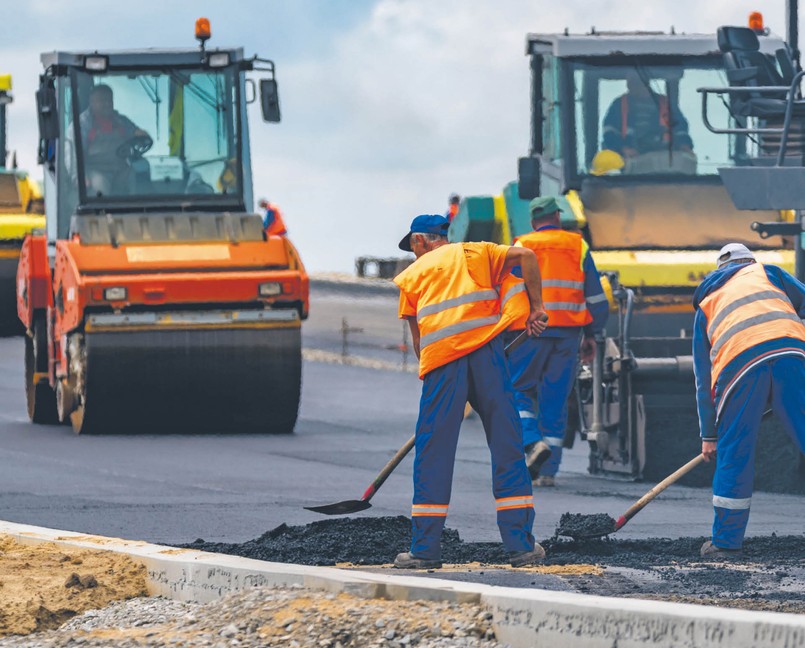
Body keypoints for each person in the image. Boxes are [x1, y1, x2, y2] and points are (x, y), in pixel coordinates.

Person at [392, 214, 549, 569]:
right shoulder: (477, 252)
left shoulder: (412, 276)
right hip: (488, 356)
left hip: (443, 365)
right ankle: (521, 546)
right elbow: (526, 257)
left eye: (413, 247)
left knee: (433, 452)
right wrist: (537, 307)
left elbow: (419, 343)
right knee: (508, 446)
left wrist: (441, 387)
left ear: (420, 241)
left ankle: (425, 550)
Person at [693, 243, 805, 558]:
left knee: (735, 454)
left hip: (739, 369)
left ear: (719, 270)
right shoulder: (769, 273)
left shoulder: (707, 302)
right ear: (749, 261)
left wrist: (709, 435)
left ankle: (726, 543)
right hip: (791, 356)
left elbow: (703, 380)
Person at [502, 197, 609, 487]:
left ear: (534, 220)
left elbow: (508, 292)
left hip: (530, 331)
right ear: (557, 218)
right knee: (555, 399)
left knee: (515, 389)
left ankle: (531, 442)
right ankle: (548, 472)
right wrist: (593, 334)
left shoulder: (521, 244)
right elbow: (596, 297)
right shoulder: (578, 245)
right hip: (568, 334)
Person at [601, 71, 693, 158]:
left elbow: (680, 128)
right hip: (629, 164)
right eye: (630, 82)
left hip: (665, 160)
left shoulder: (665, 103)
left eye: (636, 81)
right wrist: (623, 149)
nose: (631, 85)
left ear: (646, 82)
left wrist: (684, 146)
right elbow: (609, 132)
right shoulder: (619, 104)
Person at [79, 84, 149, 195]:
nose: (107, 104)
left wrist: (142, 135)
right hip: (96, 170)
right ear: (91, 103)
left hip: (120, 167)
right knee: (100, 185)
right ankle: (99, 211)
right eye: (102, 101)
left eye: (109, 100)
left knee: (138, 172)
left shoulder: (121, 121)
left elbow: (136, 132)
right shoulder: (83, 125)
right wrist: (80, 176)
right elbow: (74, 154)